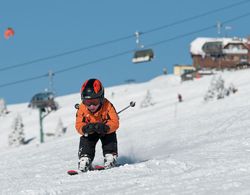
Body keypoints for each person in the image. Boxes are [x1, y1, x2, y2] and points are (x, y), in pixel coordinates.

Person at [75, 78, 119, 172]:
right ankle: (85, 158)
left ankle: (110, 156)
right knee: (86, 138)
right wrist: (85, 128)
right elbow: (78, 124)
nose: (91, 106)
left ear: (101, 98)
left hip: (104, 130)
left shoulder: (108, 106)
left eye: (94, 102)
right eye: (87, 102)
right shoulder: (82, 108)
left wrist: (106, 127)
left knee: (110, 135)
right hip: (91, 131)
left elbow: (115, 122)